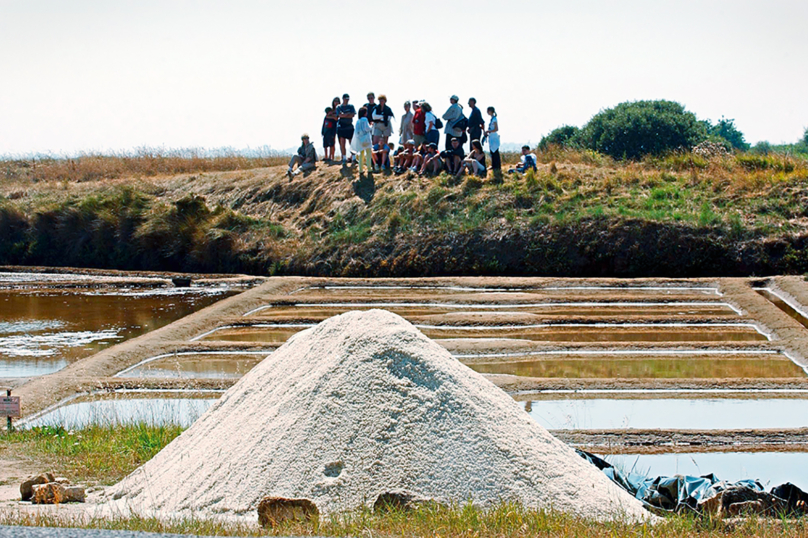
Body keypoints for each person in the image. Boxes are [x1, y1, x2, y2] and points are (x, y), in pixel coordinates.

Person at [350, 107, 373, 175]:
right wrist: (371, 125)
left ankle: (360, 169)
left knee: (361, 155)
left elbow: (356, 131)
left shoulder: (358, 121)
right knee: (368, 154)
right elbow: (367, 128)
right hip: (367, 139)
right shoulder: (365, 120)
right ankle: (369, 168)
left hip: (360, 140)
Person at [335, 94, 356, 163]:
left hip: (349, 126)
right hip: (341, 126)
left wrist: (345, 115)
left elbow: (352, 115)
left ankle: (353, 157)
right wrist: (347, 115)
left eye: (348, 99)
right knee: (342, 142)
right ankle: (344, 157)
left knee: (352, 142)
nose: (347, 100)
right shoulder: (339, 107)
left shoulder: (351, 106)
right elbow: (339, 115)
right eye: (345, 99)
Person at [485, 106, 501, 172]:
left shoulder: (494, 119)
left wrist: (489, 131)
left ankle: (497, 166)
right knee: (492, 151)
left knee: (495, 151)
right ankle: (494, 165)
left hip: (494, 136)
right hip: (491, 137)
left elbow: (496, 129)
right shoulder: (492, 119)